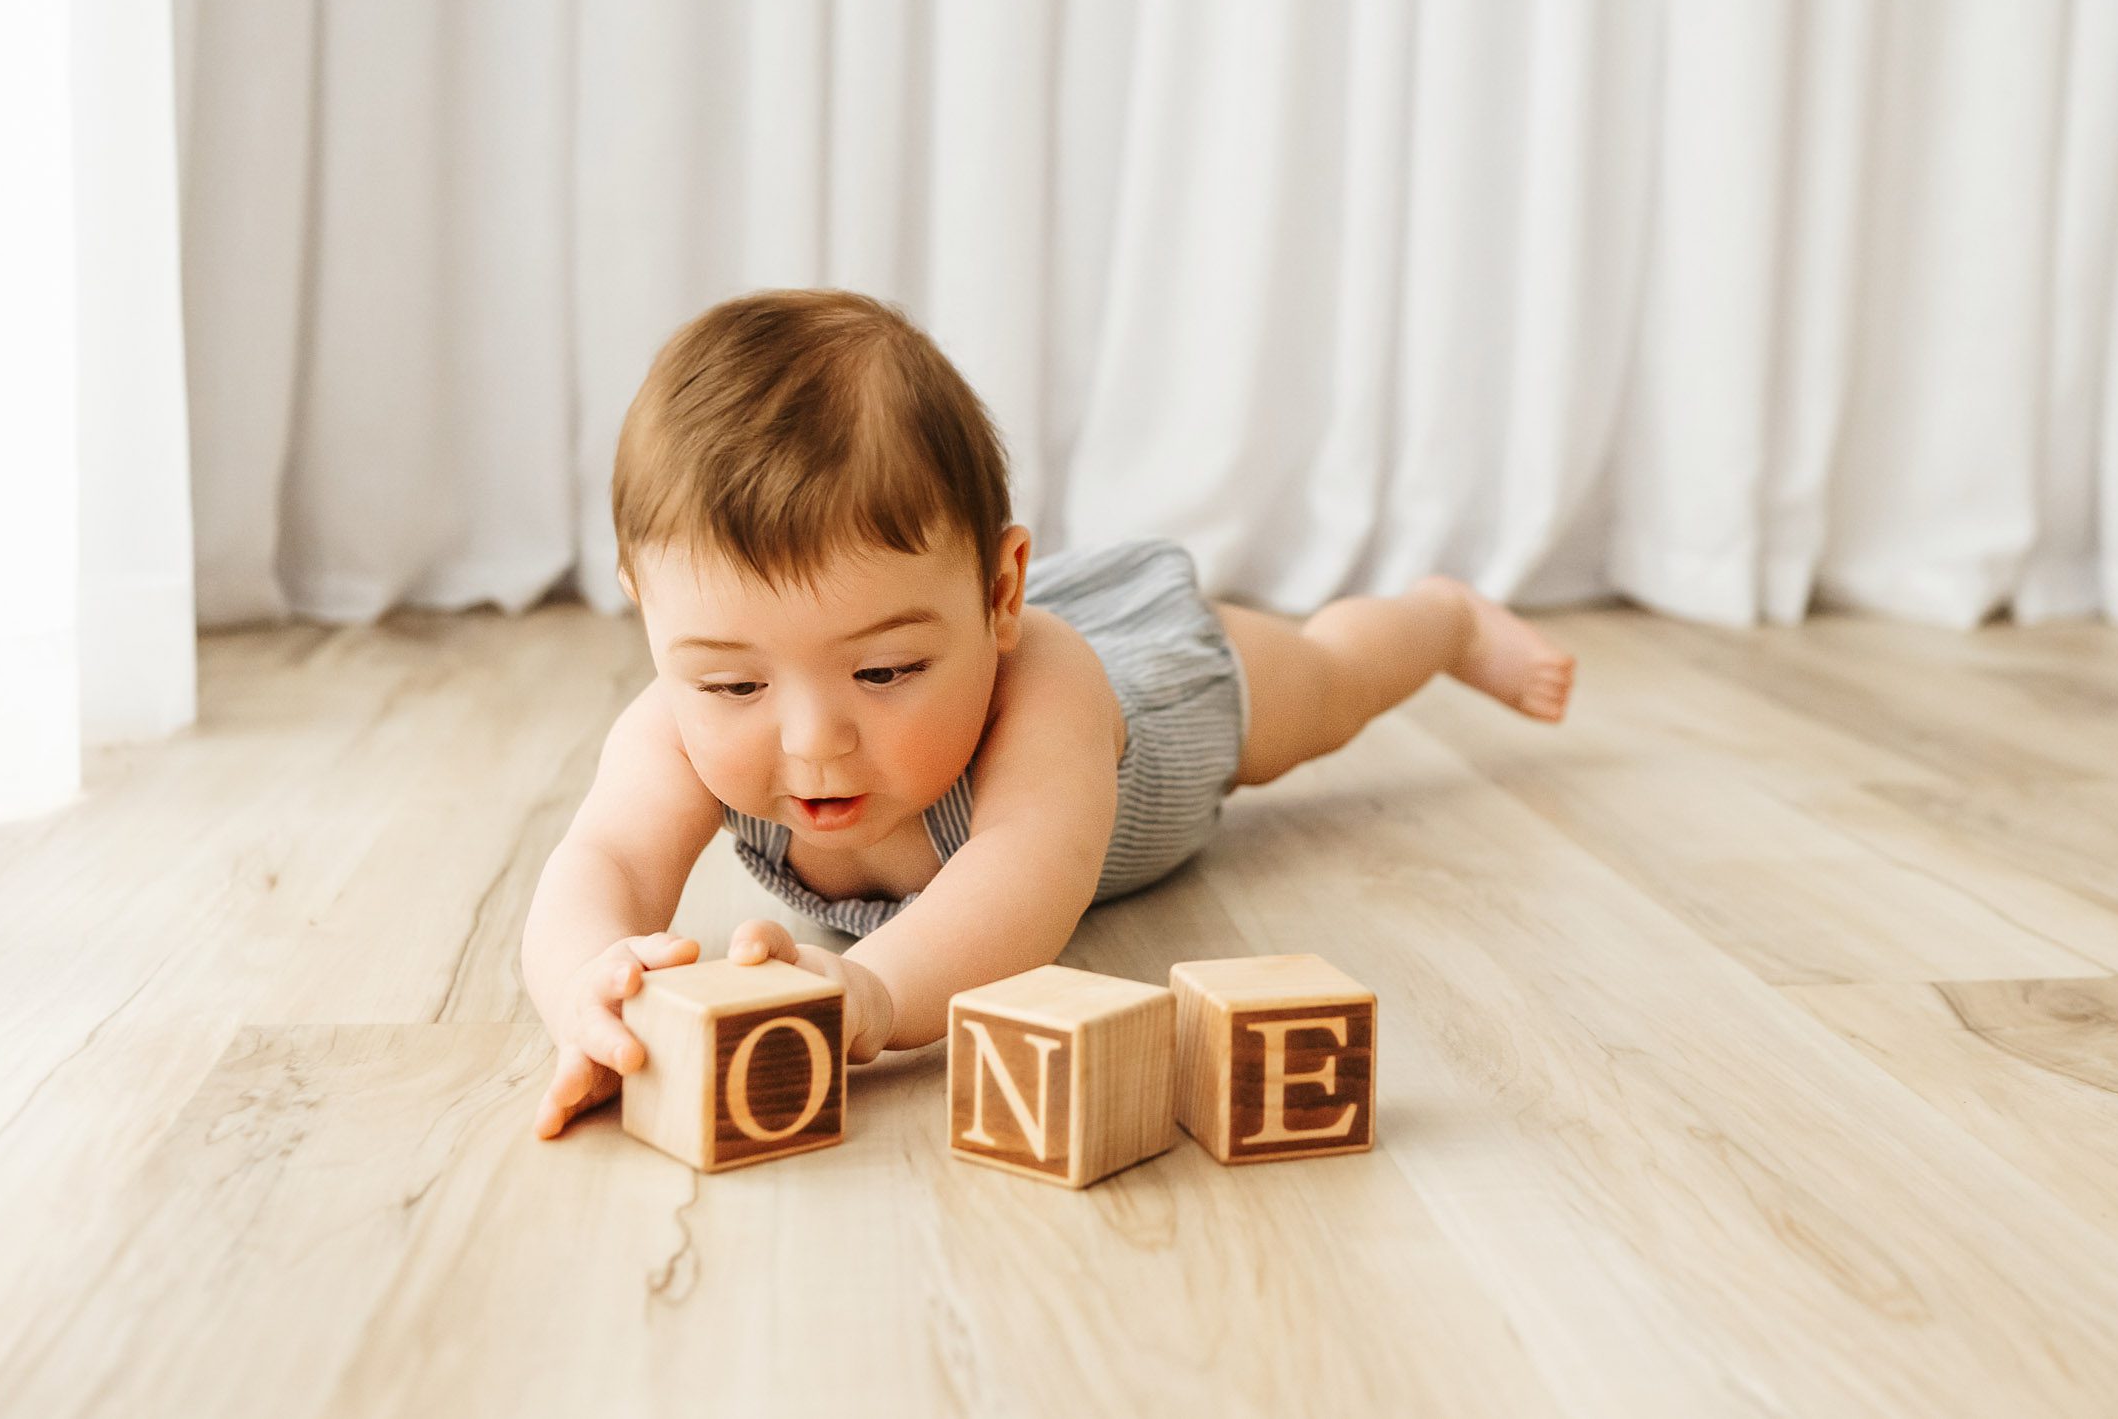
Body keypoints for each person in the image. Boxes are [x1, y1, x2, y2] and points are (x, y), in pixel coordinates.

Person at [524, 289, 1574, 1139]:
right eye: (735, 686)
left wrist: (874, 994)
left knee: (1331, 677)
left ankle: (1442, 618)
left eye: (884, 671)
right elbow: (601, 861)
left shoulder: (1048, 689)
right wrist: (588, 982)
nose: (811, 739)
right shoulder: (672, 722)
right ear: (647, 609)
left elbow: (1023, 883)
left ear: (1000, 593)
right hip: (984, 640)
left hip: (1167, 698)